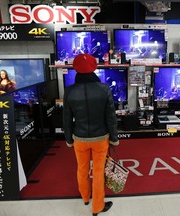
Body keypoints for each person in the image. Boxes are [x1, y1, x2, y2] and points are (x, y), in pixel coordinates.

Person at [63, 54, 119, 216]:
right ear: (94, 67)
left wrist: (68, 139)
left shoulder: (69, 91)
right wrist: (114, 138)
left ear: (76, 69)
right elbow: (111, 116)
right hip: (101, 138)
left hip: (79, 138)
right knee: (99, 171)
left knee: (82, 168)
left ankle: (85, 197)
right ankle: (97, 206)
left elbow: (66, 118)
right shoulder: (104, 89)